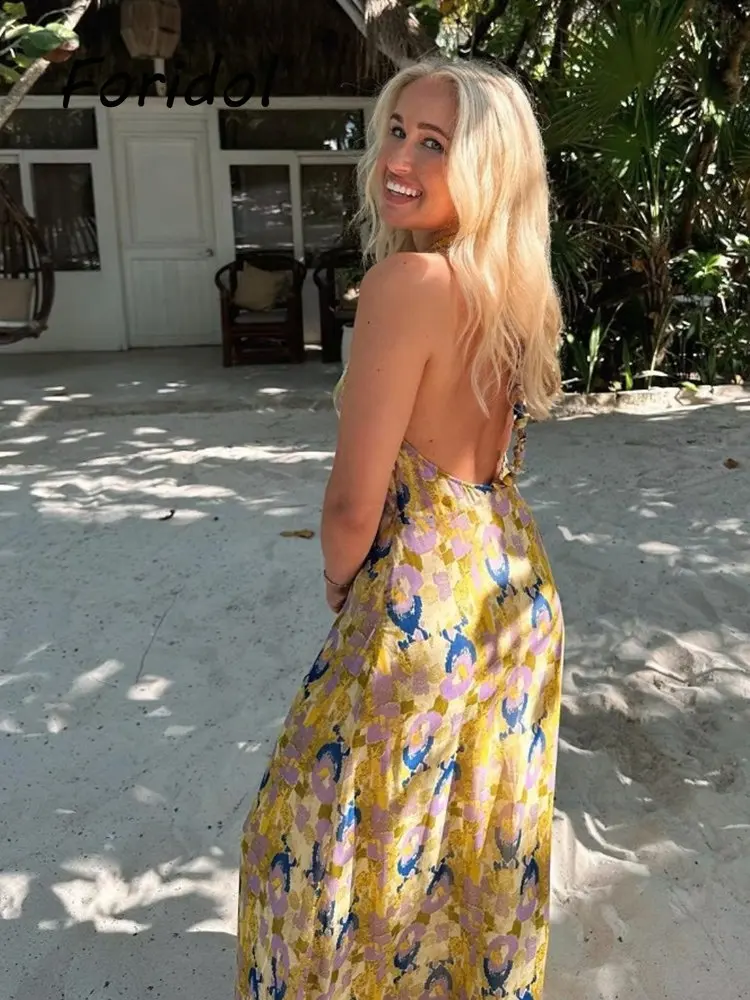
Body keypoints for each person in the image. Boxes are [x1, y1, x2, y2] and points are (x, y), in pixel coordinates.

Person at [235, 54, 565, 1000]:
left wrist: (342, 580)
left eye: (433, 143)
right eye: (395, 131)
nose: (399, 159)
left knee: (317, 835)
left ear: (488, 168)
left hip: (418, 597)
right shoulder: (512, 291)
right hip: (511, 590)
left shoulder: (407, 282)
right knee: (471, 838)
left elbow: (354, 504)